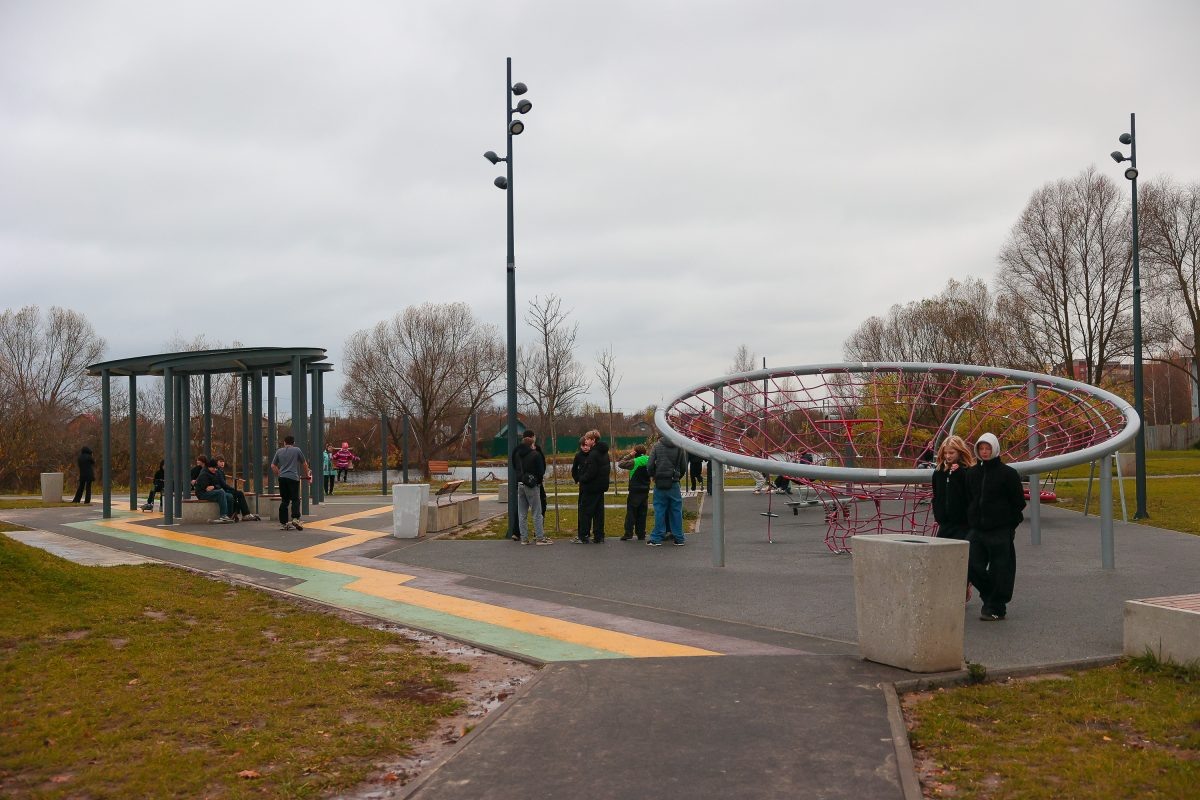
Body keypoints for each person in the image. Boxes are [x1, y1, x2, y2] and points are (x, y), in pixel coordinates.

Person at [965, 432, 1026, 621]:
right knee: (971, 563)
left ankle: (996, 606)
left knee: (1001, 568)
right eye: (981, 448)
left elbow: (1018, 502)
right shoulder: (972, 473)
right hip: (977, 528)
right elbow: (969, 498)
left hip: (1000, 528)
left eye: (987, 448)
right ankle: (992, 597)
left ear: (995, 449)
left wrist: (1010, 525)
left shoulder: (1008, 474)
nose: (984, 452)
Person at [511, 430, 551, 545]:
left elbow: (515, 467)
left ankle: (524, 538)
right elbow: (541, 471)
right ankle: (539, 538)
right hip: (532, 486)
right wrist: (537, 480)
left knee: (522, 513)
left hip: (520, 484)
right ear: (532, 443)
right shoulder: (535, 454)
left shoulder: (517, 453)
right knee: (537, 512)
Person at [931, 436, 974, 540]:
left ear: (959, 452)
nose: (948, 456)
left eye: (951, 453)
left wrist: (960, 473)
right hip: (945, 523)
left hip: (963, 524)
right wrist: (938, 513)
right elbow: (936, 494)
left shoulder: (968, 471)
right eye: (945, 453)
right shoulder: (939, 472)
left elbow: (971, 494)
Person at [647, 436, 687, 546]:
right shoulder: (679, 447)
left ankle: (657, 538)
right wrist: (677, 477)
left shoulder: (657, 446)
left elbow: (650, 464)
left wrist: (653, 475)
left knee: (659, 510)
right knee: (676, 510)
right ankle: (679, 538)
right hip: (674, 482)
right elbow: (683, 467)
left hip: (660, 482)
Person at [571, 430, 610, 543]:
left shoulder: (593, 454)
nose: (586, 441)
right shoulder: (604, 453)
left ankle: (583, 536)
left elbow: (590, 472)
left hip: (591, 487)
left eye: (587, 439)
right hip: (601, 487)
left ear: (593, 440)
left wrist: (581, 479)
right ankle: (599, 536)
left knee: (585, 512)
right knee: (598, 513)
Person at [271, 435, 312, 531]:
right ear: (293, 443)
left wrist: (279, 473)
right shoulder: (297, 450)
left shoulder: (279, 451)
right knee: (295, 499)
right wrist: (307, 475)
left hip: (282, 478)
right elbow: (304, 463)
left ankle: (284, 523)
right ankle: (295, 518)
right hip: (293, 478)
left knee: (284, 500)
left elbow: (273, 465)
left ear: (284, 442)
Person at [617, 444, 650, 541]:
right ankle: (641, 534)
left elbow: (621, 463)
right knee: (642, 513)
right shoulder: (650, 459)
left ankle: (628, 533)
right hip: (645, 489)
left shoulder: (634, 461)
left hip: (635, 490)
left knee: (631, 513)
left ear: (635, 452)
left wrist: (630, 455)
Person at [215, 456, 260, 521]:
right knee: (239, 493)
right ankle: (245, 514)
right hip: (221, 490)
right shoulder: (218, 471)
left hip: (223, 489)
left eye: (223, 462)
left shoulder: (220, 471)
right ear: (217, 462)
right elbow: (223, 484)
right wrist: (232, 489)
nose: (222, 463)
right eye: (220, 462)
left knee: (239, 493)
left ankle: (245, 513)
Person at [193, 458, 235, 523]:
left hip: (211, 492)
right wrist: (211, 487)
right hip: (202, 494)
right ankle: (223, 515)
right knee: (221, 492)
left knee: (229, 496)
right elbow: (205, 488)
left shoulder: (214, 473)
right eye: (214, 468)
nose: (215, 470)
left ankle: (229, 516)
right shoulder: (204, 474)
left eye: (216, 468)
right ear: (209, 467)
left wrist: (214, 486)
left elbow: (218, 485)